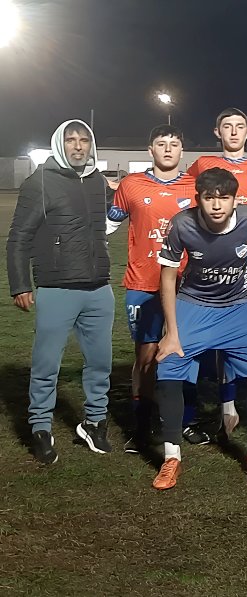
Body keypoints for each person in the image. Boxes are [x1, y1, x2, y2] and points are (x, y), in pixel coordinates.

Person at [151, 168, 247, 490]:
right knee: (168, 367)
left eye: (224, 198)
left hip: (241, 307)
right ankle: (171, 457)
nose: (217, 205)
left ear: (236, 200)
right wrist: (172, 331)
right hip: (195, 305)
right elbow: (166, 277)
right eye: (209, 198)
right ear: (198, 200)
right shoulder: (182, 224)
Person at [7, 119, 115, 464]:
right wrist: (20, 284)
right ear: (60, 144)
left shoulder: (98, 181)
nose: (78, 146)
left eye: (84, 140)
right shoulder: (39, 182)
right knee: (46, 364)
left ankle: (95, 422)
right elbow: (19, 239)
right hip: (56, 288)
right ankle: (40, 426)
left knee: (100, 363)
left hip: (99, 288)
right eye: (71, 140)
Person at [106, 124, 201, 452]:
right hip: (142, 283)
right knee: (145, 357)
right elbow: (108, 224)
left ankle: (186, 421)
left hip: (186, 286)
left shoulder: (195, 187)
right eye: (161, 143)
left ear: (182, 150)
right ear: (150, 149)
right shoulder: (131, 185)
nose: (168, 149)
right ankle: (141, 426)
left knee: (186, 352)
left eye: (174, 144)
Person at [188, 108, 247, 320]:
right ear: (217, 132)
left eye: (240, 127)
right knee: (215, 322)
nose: (234, 132)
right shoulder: (203, 164)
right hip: (215, 260)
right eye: (228, 127)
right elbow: (178, 186)